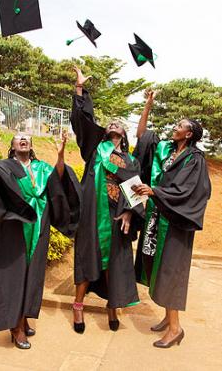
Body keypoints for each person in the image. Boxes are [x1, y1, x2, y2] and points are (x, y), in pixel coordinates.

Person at [0, 131, 81, 349]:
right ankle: (15, 327)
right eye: (18, 137)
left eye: (26, 137)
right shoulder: (7, 166)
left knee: (33, 273)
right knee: (15, 274)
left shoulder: (42, 167)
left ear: (31, 144)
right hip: (16, 227)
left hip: (39, 226)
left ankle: (24, 317)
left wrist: (61, 154)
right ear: (13, 144)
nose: (23, 139)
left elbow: (57, 179)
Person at [133, 91, 211, 348]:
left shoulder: (194, 160)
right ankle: (168, 318)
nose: (175, 127)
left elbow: (189, 191)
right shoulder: (167, 149)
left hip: (176, 223)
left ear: (189, 134)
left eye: (180, 126)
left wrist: (154, 191)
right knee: (156, 265)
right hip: (157, 217)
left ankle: (176, 329)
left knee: (171, 271)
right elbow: (142, 136)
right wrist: (148, 104)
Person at [70, 66, 144, 333]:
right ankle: (77, 307)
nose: (113, 124)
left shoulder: (130, 160)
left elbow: (134, 189)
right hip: (91, 214)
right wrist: (79, 89)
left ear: (124, 135)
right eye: (110, 123)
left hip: (115, 217)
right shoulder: (94, 148)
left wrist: (128, 213)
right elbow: (83, 121)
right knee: (87, 259)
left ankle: (112, 306)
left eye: (118, 124)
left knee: (114, 262)